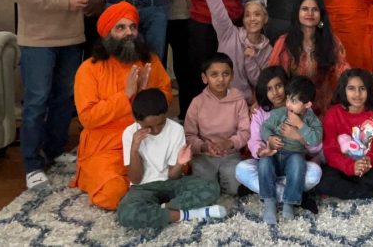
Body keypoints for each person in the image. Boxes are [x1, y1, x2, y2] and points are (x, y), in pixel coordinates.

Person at [3, 0, 93, 190]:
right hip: (38, 40)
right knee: (36, 102)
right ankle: (32, 164)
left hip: (72, 37)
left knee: (65, 99)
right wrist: (64, 1)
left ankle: (54, 151)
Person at [71, 2, 173, 210]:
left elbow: (166, 97)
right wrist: (125, 96)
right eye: (120, 28)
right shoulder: (89, 69)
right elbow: (88, 117)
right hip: (107, 147)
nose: (129, 33)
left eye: (132, 27)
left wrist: (144, 94)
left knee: (182, 167)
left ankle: (141, 190)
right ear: (107, 34)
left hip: (148, 139)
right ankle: (139, 191)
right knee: (112, 192)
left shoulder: (150, 61)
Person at [116, 88, 224, 230]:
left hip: (171, 183)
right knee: (125, 213)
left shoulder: (176, 129)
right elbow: (135, 179)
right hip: (142, 188)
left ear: (166, 114)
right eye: (148, 127)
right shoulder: (129, 133)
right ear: (136, 120)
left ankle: (162, 210)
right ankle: (184, 215)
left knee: (211, 187)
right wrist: (134, 149)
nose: (156, 130)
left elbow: (173, 176)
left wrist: (179, 163)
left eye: (160, 124)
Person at [317, 69, 373, 204]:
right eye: (351, 88)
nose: (357, 94)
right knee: (324, 181)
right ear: (343, 90)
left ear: (369, 90)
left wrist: (368, 161)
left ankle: (348, 187)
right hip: (342, 167)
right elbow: (330, 151)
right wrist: (351, 166)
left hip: (368, 167)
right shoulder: (333, 114)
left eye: (362, 88)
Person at [235, 68, 322, 206]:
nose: (275, 92)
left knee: (315, 172)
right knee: (241, 169)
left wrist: (298, 136)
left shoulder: (304, 110)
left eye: (279, 86)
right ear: (264, 91)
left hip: (294, 163)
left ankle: (270, 190)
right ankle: (290, 193)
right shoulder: (260, 113)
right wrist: (263, 149)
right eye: (269, 89)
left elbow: (316, 147)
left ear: (287, 85)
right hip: (269, 163)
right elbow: (254, 140)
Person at [268, 0, 350, 116]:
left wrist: (357, 90)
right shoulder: (284, 42)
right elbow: (272, 75)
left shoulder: (331, 41)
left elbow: (343, 69)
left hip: (322, 108)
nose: (310, 13)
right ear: (297, 13)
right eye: (305, 9)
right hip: (292, 108)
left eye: (315, 10)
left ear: (321, 15)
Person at [199, 0, 271, 104]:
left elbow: (260, 83)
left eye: (257, 14)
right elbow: (218, 11)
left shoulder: (268, 49)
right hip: (221, 100)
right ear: (243, 19)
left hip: (247, 104)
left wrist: (251, 60)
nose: (252, 19)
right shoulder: (229, 34)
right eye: (247, 15)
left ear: (265, 18)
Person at [259, 75, 323, 224]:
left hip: (294, 156)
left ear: (307, 104)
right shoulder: (280, 113)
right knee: (263, 162)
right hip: (275, 154)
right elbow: (265, 128)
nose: (288, 104)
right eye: (288, 99)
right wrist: (269, 138)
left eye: (293, 101)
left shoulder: (312, 120)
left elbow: (315, 140)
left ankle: (289, 202)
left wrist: (300, 125)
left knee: (298, 163)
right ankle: (269, 202)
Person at [184, 53, 250, 196]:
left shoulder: (239, 100)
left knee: (234, 189)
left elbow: (245, 132)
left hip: (231, 154)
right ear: (204, 78)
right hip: (204, 155)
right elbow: (189, 135)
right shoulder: (197, 102)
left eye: (225, 74)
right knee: (203, 191)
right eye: (214, 75)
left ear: (232, 76)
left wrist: (229, 143)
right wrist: (204, 146)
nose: (220, 79)